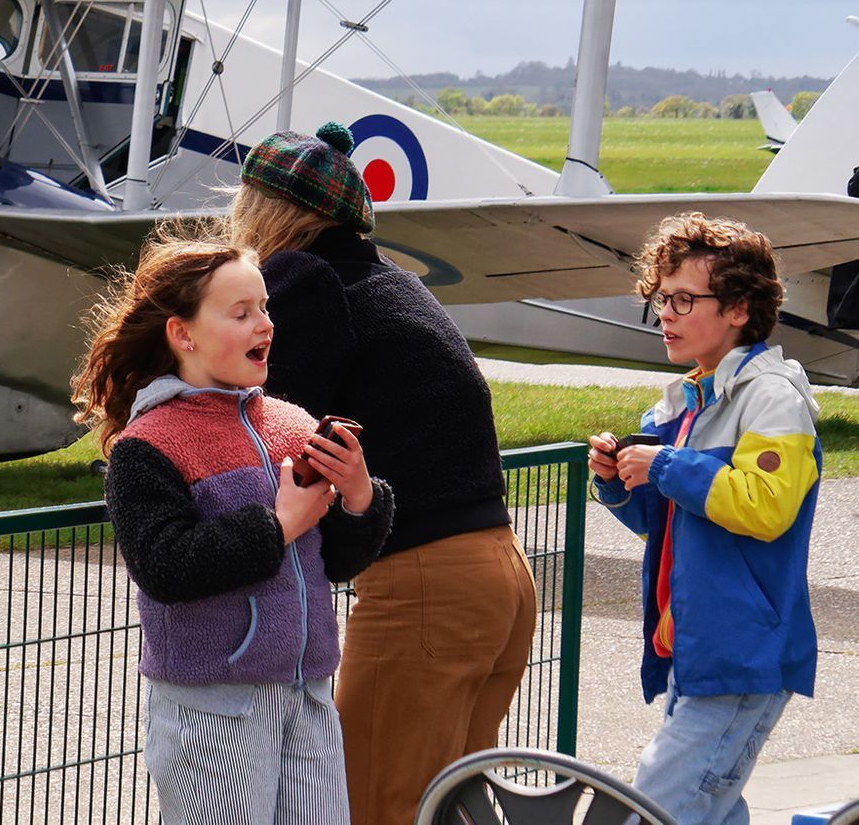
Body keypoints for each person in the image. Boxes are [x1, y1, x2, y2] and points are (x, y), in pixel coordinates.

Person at [226, 122, 538, 825]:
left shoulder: (305, 278)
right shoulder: (392, 281)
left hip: (425, 584)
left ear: (266, 208)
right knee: (446, 809)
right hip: (498, 573)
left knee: (371, 806)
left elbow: (271, 422)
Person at [74, 226, 394, 824]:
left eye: (265, 308)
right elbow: (166, 567)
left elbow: (338, 562)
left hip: (310, 698)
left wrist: (357, 495)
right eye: (241, 312)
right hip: (212, 713)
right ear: (183, 334)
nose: (265, 325)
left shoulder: (291, 423)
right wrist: (278, 525)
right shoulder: (148, 445)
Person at [588, 212, 819, 824]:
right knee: (710, 812)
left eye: (685, 299)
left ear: (740, 307)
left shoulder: (771, 396)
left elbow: (767, 509)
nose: (666, 313)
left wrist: (665, 465)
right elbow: (666, 524)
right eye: (660, 299)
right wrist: (618, 483)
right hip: (697, 652)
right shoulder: (687, 398)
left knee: (656, 810)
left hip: (741, 655)